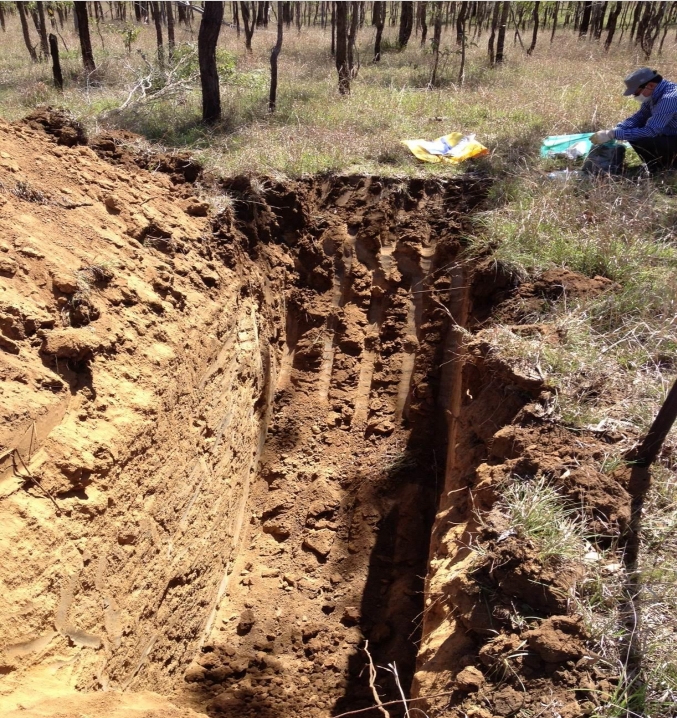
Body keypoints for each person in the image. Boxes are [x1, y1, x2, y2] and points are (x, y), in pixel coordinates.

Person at [591, 67, 677, 171]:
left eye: (636, 93)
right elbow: (640, 116)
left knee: (644, 138)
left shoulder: (669, 99)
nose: (635, 96)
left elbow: (651, 131)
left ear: (650, 85)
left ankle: (665, 168)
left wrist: (613, 134)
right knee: (633, 133)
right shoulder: (655, 94)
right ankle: (657, 164)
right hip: (671, 133)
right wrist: (617, 129)